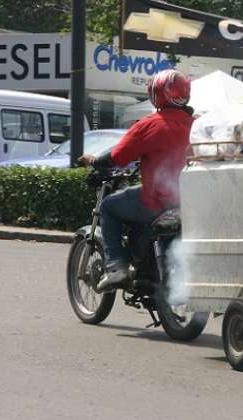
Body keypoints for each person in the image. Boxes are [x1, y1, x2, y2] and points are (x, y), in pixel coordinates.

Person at [78, 68, 194, 293]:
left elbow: (117, 157)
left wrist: (94, 162)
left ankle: (117, 268)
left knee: (109, 207)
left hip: (157, 201)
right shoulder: (196, 124)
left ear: (157, 93)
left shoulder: (151, 124)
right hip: (189, 202)